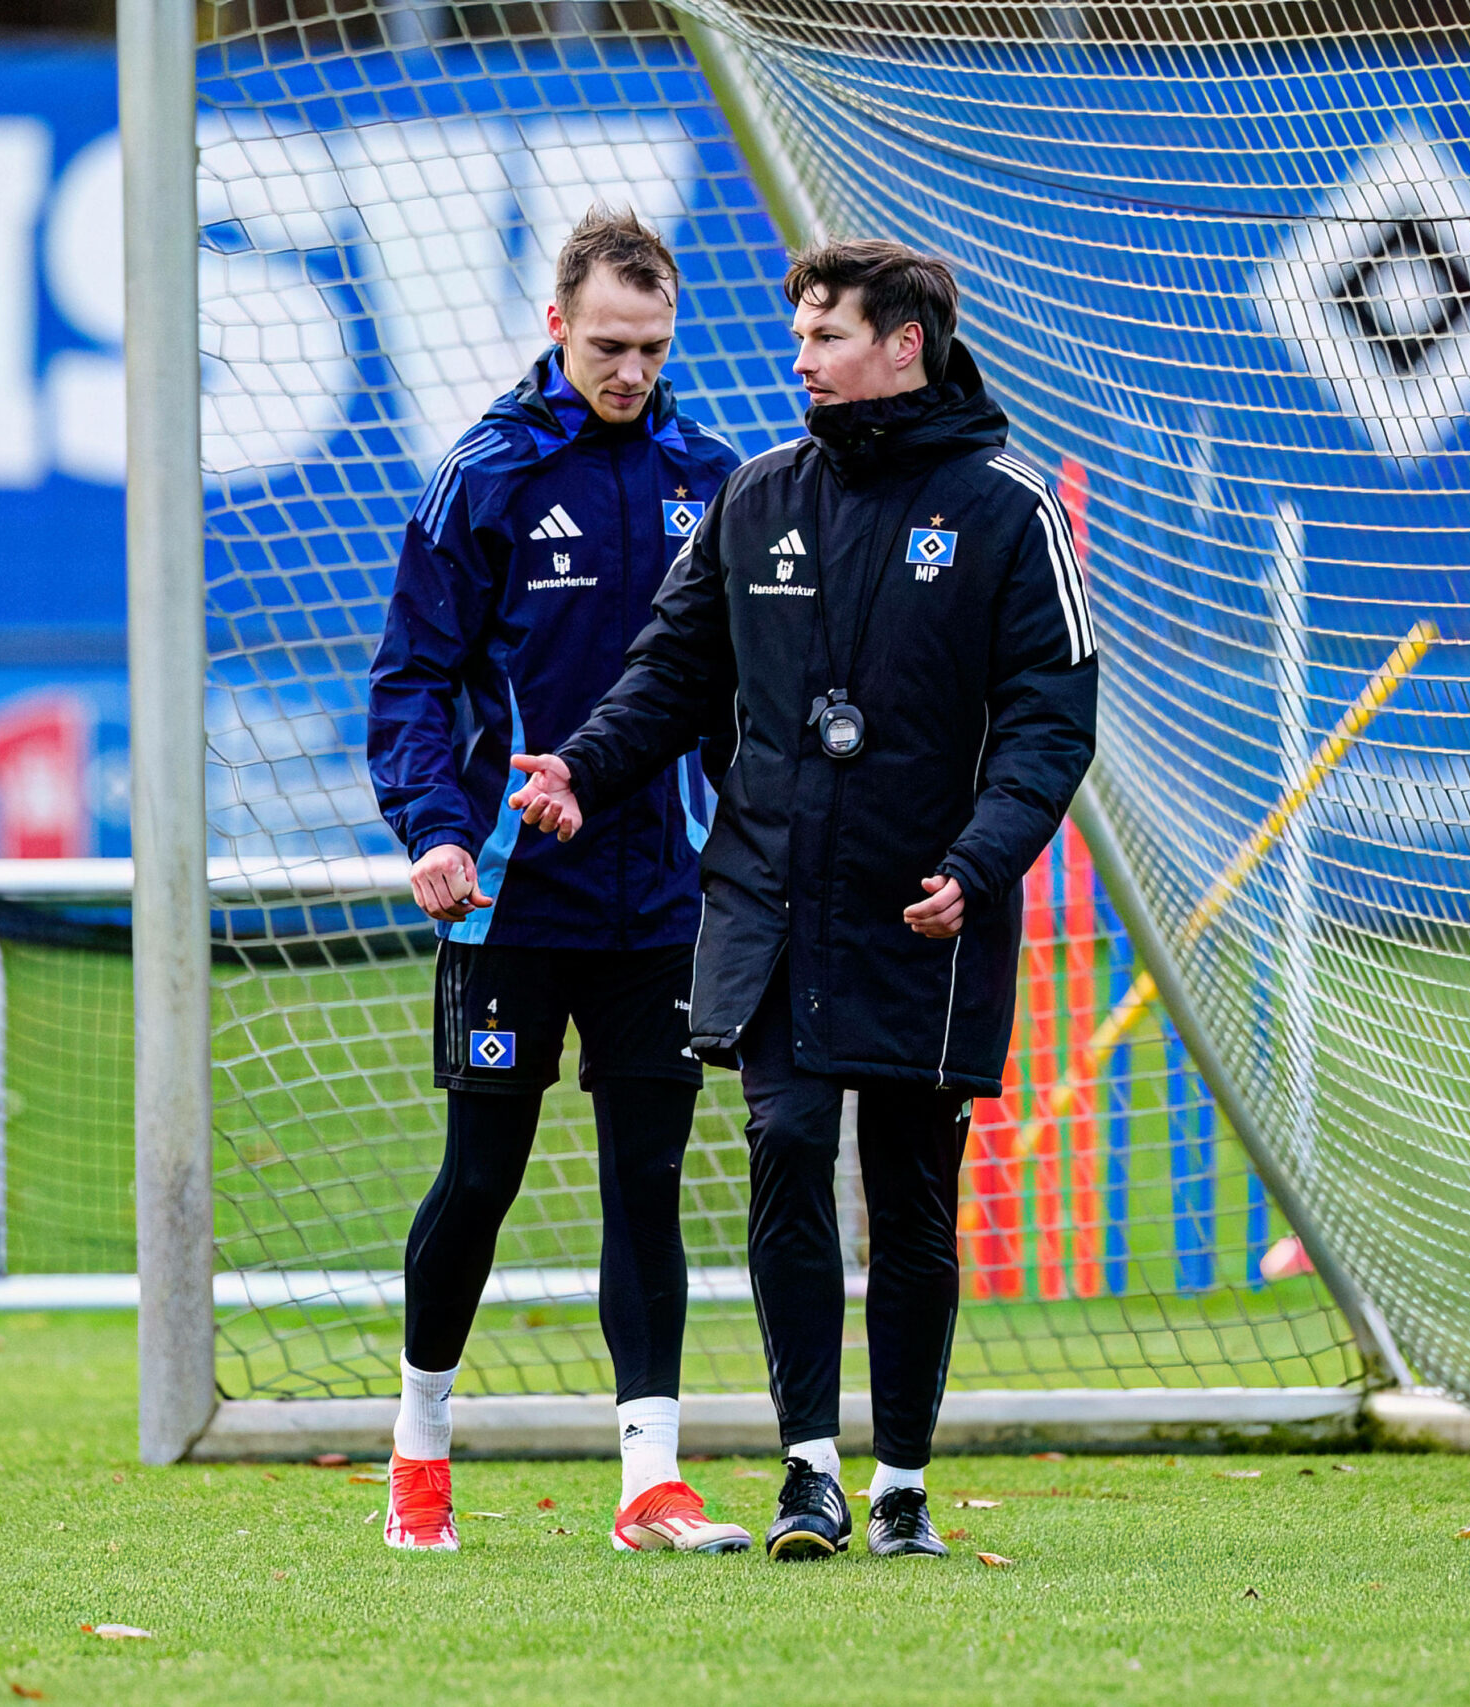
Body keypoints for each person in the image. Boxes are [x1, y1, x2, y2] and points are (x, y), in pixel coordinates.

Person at [508, 239, 1099, 1560]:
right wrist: (583, 770)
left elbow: (1053, 724)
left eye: (825, 335)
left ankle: (902, 1482)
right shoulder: (757, 494)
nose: (800, 357)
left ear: (903, 344)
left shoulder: (1010, 512)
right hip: (773, 898)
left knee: (910, 1190)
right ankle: (806, 1467)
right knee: (781, 1147)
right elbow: (669, 671)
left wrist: (981, 856)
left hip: (923, 909)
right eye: (799, 335)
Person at [366, 209, 748, 1555]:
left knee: (650, 1174)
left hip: (661, 903)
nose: (630, 371)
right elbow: (413, 676)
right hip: (509, 895)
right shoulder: (482, 473)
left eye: (651, 346)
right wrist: (432, 827)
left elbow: (730, 696)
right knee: (482, 1174)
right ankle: (420, 1445)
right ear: (555, 325)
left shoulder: (716, 478)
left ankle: (651, 1477)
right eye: (606, 345)